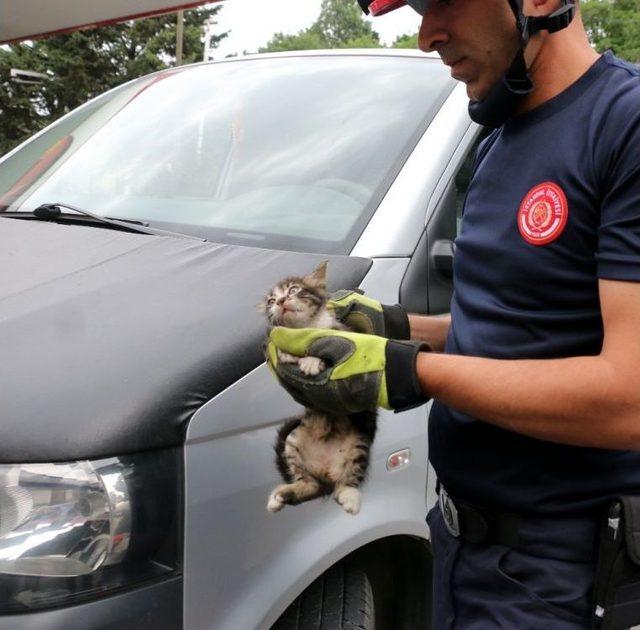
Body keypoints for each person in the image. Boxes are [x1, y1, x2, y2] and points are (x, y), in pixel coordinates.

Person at [266, 0, 640, 627]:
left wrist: (411, 372)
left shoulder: (624, 123)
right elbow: (520, 327)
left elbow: (629, 398)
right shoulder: (499, 133)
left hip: (563, 571)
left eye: (442, 1)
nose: (425, 35)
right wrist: (400, 329)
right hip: (462, 543)